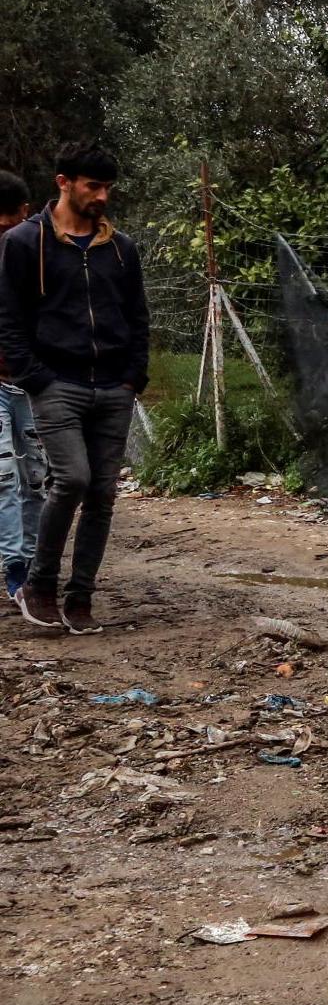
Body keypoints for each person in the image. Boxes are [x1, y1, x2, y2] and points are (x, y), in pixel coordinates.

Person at [0, 142, 150, 635]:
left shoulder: (120, 248)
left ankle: (80, 596)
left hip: (113, 386)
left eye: (108, 187)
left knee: (104, 492)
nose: (102, 196)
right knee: (73, 479)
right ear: (63, 182)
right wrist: (34, 376)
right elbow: (10, 318)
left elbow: (137, 316)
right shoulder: (25, 242)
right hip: (56, 383)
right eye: (93, 186)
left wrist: (132, 377)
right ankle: (39, 584)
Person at [0, 172, 45, 600]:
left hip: (31, 379)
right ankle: (15, 566)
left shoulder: (40, 253)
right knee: (4, 474)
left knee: (35, 476)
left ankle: (29, 566)